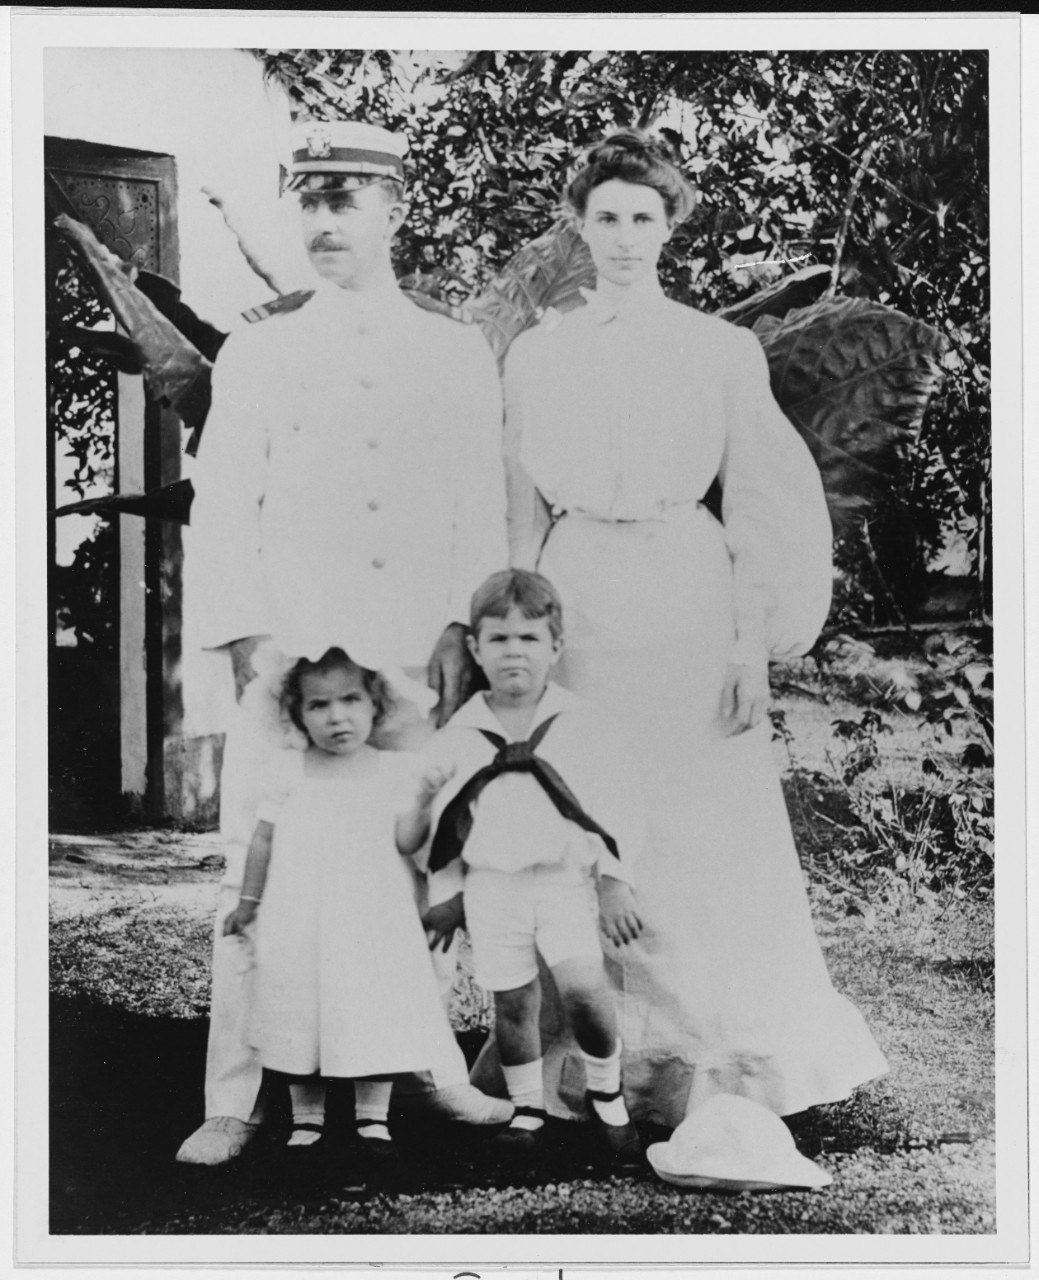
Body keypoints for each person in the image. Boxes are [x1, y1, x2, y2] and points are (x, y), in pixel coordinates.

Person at [499, 131, 889, 1130]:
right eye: (605, 218)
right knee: (588, 806)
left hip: (686, 587)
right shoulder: (537, 354)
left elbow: (761, 497)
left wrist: (745, 641)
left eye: (642, 217)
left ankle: (730, 1050)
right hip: (578, 586)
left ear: (669, 227)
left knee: (704, 813)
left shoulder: (720, 349)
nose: (624, 237)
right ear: (577, 226)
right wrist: (519, 633)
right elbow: (516, 505)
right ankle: (587, 1059)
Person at [178, 120, 512, 1166]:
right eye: (309, 201)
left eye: (345, 201)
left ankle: (428, 1066)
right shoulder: (264, 347)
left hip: (406, 658)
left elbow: (478, 500)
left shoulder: (452, 349)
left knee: (405, 869)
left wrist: (462, 620)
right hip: (292, 660)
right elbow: (223, 503)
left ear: (394, 209)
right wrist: (243, 636)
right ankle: (234, 1093)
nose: (323, 221)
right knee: (258, 870)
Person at [397, 569, 646, 1165]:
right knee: (512, 1004)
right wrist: (449, 893)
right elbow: (447, 824)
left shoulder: (582, 725)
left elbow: (618, 806)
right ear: (476, 649)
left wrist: (614, 880)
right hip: (491, 888)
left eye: (530, 639)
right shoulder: (459, 735)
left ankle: (608, 1099)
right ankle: (527, 1109)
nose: (515, 652)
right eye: (500, 640)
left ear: (556, 648)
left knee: (585, 989)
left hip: (561, 883)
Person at [222, 649, 464, 1164]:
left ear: (376, 704)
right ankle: (306, 1122)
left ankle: (372, 1120)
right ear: (297, 714)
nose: (337, 717)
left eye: (351, 699)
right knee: (298, 1008)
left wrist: (424, 801)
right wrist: (247, 903)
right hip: (299, 918)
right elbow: (262, 841)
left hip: (370, 921)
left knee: (369, 1007)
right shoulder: (287, 771)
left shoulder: (394, 770)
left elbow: (406, 841)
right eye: (319, 705)